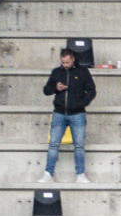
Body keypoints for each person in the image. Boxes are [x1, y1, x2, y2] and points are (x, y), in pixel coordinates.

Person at [41, 48, 97, 183]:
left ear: (73, 59)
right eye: (63, 62)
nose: (65, 65)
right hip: (59, 113)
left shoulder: (83, 72)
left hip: (77, 114)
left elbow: (92, 91)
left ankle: (80, 174)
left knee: (79, 145)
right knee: (53, 144)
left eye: (67, 62)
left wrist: (81, 103)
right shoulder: (56, 72)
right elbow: (46, 90)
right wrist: (56, 88)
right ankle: (48, 173)